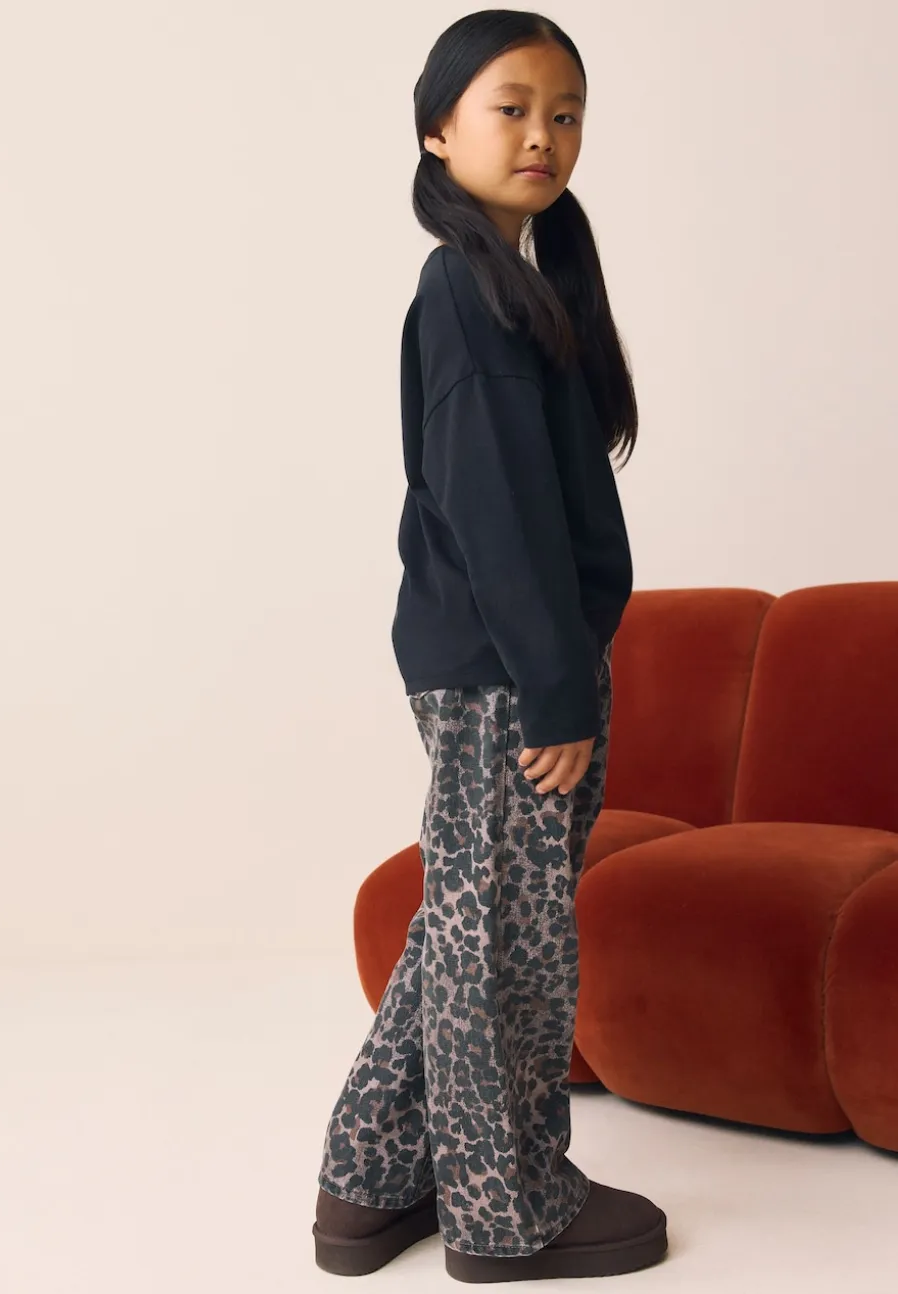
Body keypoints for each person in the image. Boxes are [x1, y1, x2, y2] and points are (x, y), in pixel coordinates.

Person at [313, 8, 669, 1284]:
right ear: (437, 130)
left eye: (564, 114)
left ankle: (368, 1180)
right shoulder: (465, 290)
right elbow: (493, 505)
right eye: (510, 107)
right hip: (506, 673)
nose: (541, 135)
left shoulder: (514, 286)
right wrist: (554, 686)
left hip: (501, 662)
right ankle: (505, 1211)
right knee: (504, 946)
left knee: (467, 926)